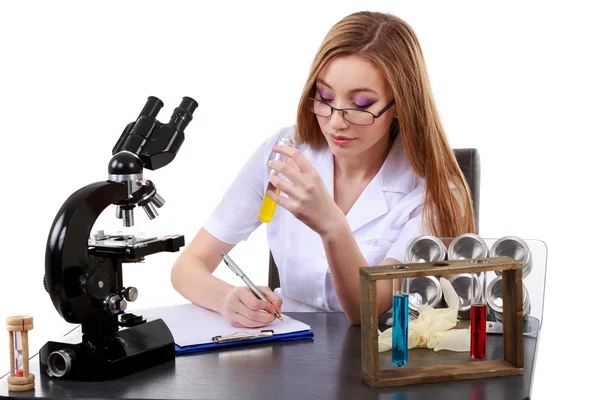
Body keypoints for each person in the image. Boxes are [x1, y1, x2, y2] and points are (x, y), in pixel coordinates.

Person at [170, 11, 475, 327]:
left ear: (399, 105)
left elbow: (365, 311)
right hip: (286, 344)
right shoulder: (286, 150)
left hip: (376, 355)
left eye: (361, 105)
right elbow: (188, 266)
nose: (336, 122)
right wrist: (226, 298)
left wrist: (332, 224)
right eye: (325, 97)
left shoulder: (433, 190)